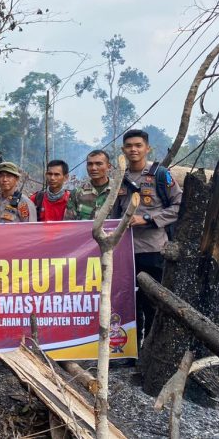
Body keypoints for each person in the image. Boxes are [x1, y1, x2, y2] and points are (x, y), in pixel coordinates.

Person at [115, 129, 182, 345]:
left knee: (153, 302)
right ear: (123, 150)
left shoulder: (160, 174)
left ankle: (151, 351)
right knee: (129, 303)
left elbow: (179, 206)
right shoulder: (120, 177)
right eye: (129, 146)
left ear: (147, 148)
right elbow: (113, 211)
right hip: (125, 250)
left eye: (138, 145)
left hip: (153, 250)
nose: (133, 149)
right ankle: (132, 351)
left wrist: (147, 218)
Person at [65, 150, 113, 220]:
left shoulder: (119, 190)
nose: (93, 168)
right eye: (90, 164)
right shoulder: (76, 193)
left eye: (98, 164)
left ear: (109, 167)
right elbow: (69, 224)